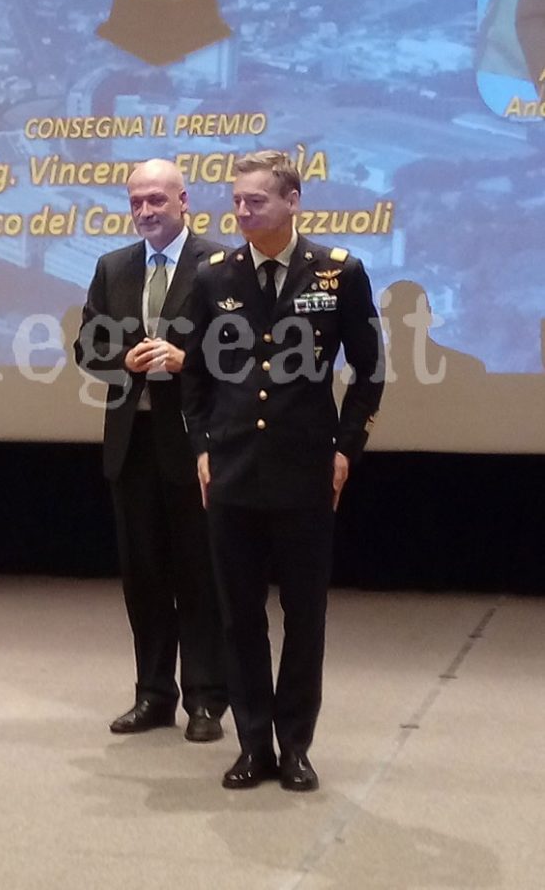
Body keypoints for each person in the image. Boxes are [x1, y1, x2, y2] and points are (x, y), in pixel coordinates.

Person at [181, 149, 384, 791]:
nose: (241, 212)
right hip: (234, 470)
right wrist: (202, 447)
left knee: (304, 616)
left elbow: (369, 372)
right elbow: (193, 371)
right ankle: (252, 743)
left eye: (256, 201)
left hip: (304, 469)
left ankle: (295, 743)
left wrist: (346, 448)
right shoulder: (215, 276)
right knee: (240, 616)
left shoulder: (338, 271)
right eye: (237, 201)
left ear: (292, 201)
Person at [75, 158, 228, 743]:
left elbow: (243, 355)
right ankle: (153, 695)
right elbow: (85, 347)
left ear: (183, 200)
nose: (145, 211)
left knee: (199, 574)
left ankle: (208, 700)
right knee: (143, 576)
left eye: (156, 201)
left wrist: (188, 361)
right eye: (136, 201)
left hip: (196, 445)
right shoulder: (112, 266)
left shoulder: (219, 263)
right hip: (132, 444)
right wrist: (123, 360)